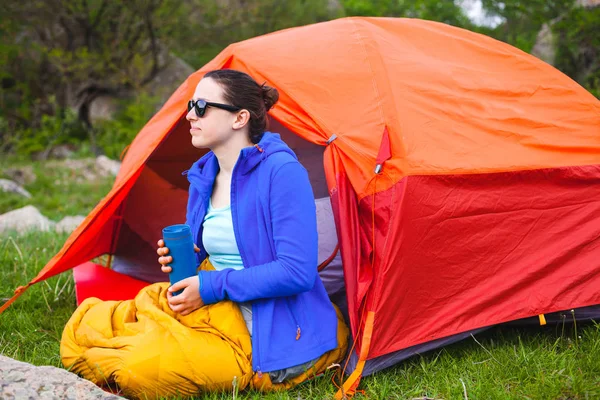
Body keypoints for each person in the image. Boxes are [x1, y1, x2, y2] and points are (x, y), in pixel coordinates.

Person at [156, 69, 345, 385]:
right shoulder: (204, 174)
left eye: (202, 106)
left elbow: (296, 272)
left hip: (274, 322)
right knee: (106, 327)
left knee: (150, 370)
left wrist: (209, 286)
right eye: (190, 105)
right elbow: (210, 252)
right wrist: (182, 259)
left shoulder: (282, 173)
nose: (189, 115)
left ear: (239, 118)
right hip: (217, 303)